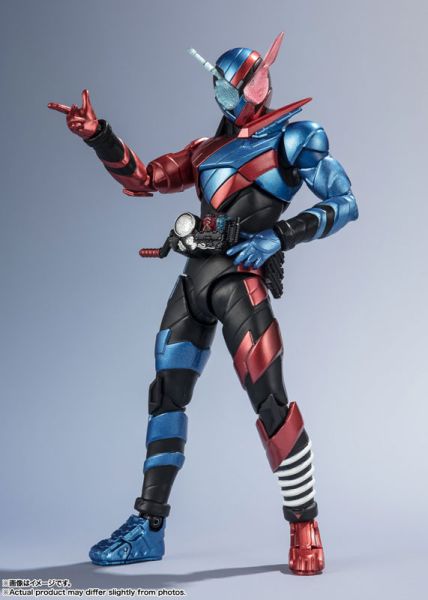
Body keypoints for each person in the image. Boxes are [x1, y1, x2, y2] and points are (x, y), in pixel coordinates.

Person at [48, 32, 358, 575]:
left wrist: (280, 236)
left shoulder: (295, 136)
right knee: (166, 396)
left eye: (233, 82)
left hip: (242, 282)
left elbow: (345, 202)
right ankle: (148, 525)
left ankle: (303, 522)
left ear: (259, 84)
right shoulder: (206, 150)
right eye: (216, 82)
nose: (222, 91)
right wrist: (100, 136)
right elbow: (145, 177)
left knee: (270, 402)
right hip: (196, 281)